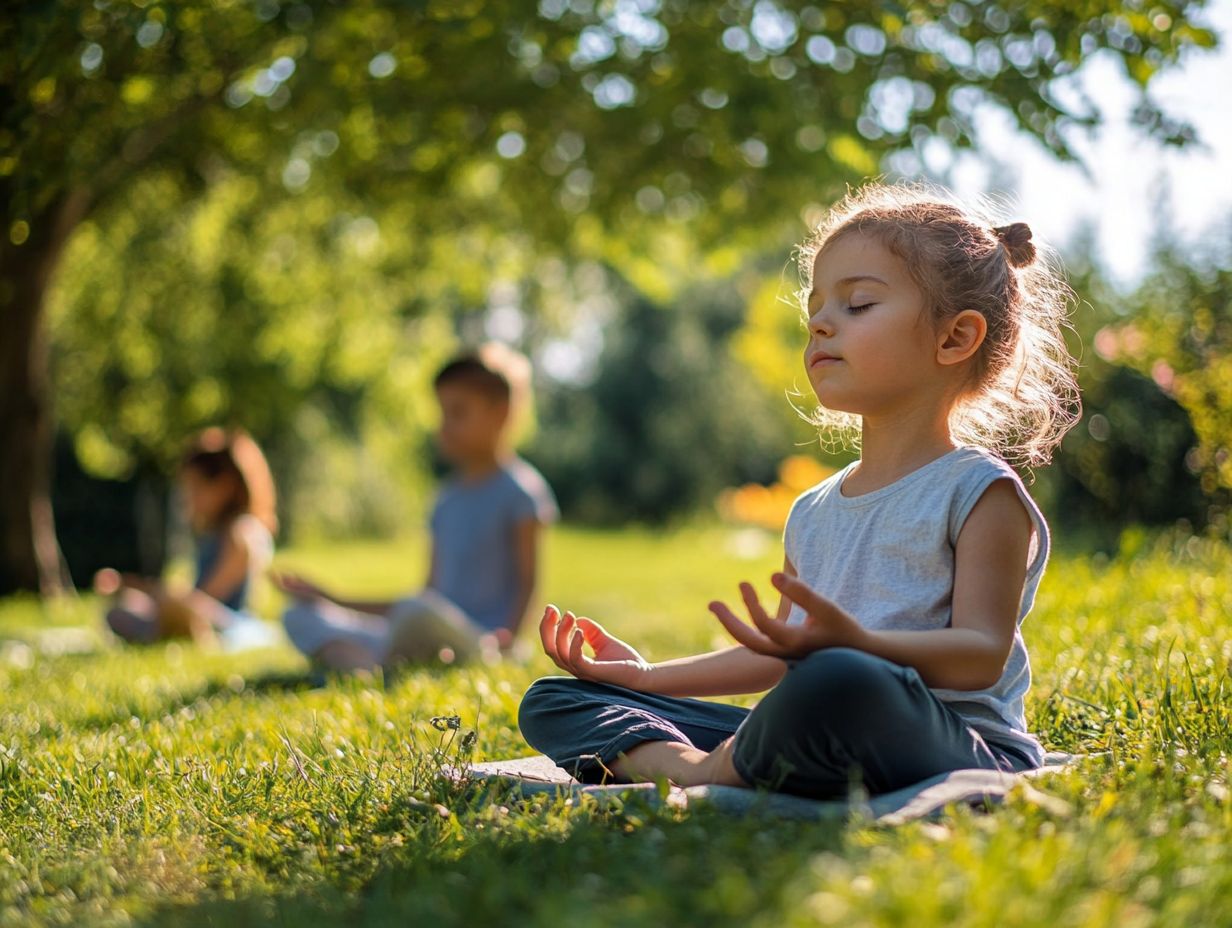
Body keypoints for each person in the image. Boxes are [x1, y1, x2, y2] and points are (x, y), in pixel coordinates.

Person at [518, 183, 1083, 798]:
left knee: (838, 680)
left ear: (954, 338)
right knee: (557, 700)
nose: (819, 323)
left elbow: (980, 654)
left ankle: (706, 763)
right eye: (815, 308)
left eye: (858, 304)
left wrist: (858, 646)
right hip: (819, 715)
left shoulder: (979, 492)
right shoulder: (813, 509)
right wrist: (647, 677)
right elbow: (780, 658)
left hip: (951, 742)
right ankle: (698, 767)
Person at [275, 343, 558, 673]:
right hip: (424, 629)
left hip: (481, 643)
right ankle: (367, 661)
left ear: (501, 412)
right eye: (442, 413)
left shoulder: (521, 492)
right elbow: (428, 594)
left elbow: (528, 583)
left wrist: (508, 643)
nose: (444, 425)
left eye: (458, 412)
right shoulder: (445, 501)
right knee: (298, 615)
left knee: (415, 612)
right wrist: (331, 599)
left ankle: (356, 661)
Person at [98, 428, 279, 651]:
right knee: (121, 610)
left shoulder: (240, 533)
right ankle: (173, 631)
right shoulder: (209, 533)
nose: (188, 498)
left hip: (230, 624)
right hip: (197, 612)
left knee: (169, 603)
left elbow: (206, 597)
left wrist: (159, 594)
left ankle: (189, 634)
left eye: (195, 488)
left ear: (224, 486)